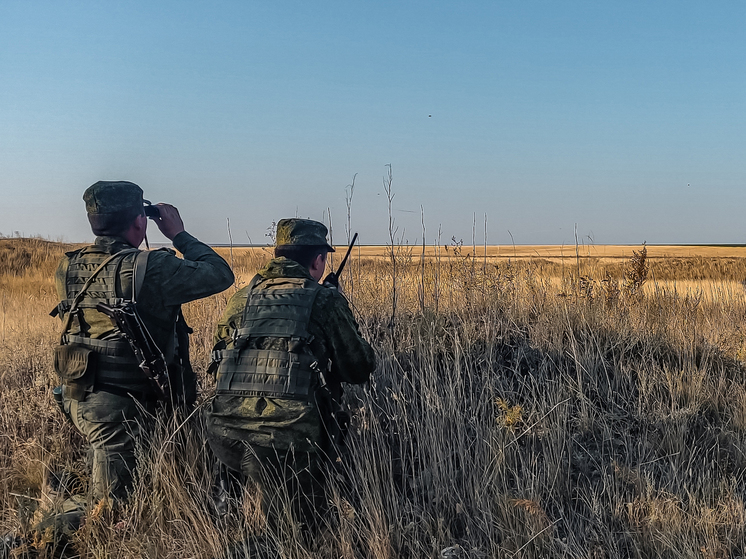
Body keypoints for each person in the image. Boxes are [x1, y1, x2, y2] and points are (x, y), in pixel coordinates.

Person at [52, 180, 234, 506]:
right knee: (109, 512)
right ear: (140, 221)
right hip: (119, 407)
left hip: (77, 395)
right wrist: (179, 234)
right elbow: (220, 274)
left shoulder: (68, 265)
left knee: (116, 482)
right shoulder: (151, 268)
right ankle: (28, 542)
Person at [204, 218, 376, 533]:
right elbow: (358, 368)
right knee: (299, 535)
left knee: (230, 526)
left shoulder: (242, 297)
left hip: (223, 431)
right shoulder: (324, 299)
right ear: (318, 259)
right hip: (284, 439)